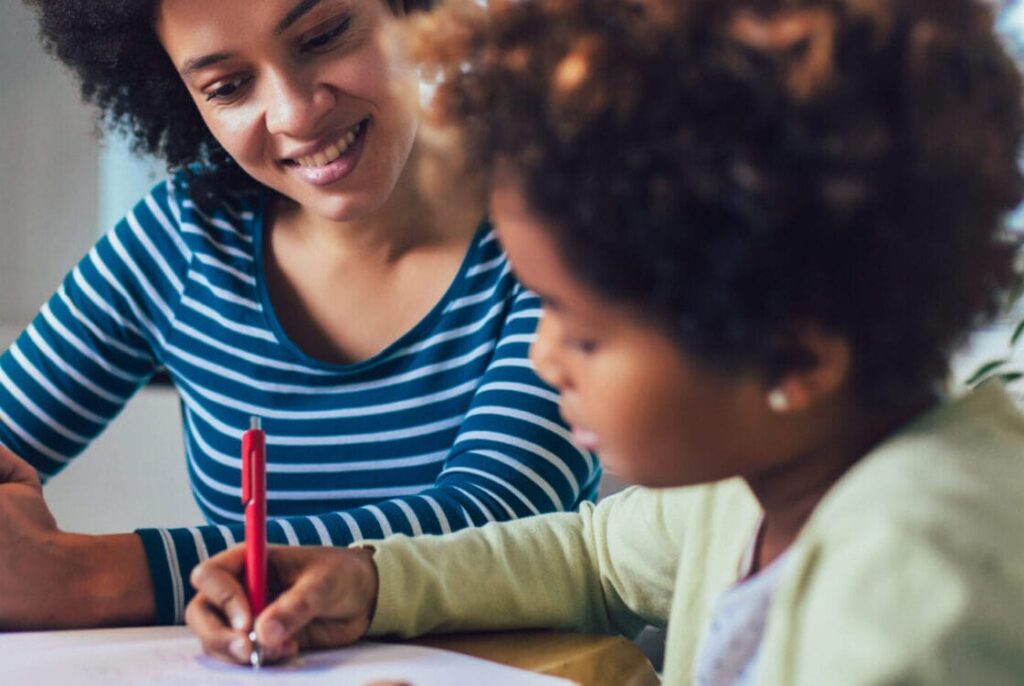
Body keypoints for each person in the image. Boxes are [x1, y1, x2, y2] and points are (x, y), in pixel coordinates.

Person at [186, 0, 1024, 681]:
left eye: (582, 332)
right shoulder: (770, 469)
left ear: (794, 355)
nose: (543, 359)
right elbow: (593, 557)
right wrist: (368, 582)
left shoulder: (918, 578)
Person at [0, 0, 598, 629]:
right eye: (228, 86)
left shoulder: (550, 221)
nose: (294, 111)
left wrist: (91, 576)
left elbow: (497, 520)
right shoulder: (182, 239)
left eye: (325, 36)